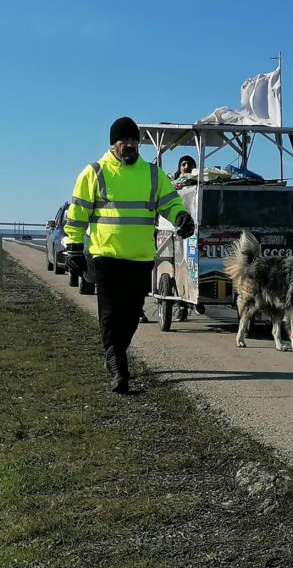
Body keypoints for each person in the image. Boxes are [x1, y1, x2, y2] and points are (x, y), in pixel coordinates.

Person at [64, 116, 196, 394]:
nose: (131, 145)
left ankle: (114, 354)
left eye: (135, 141)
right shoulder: (95, 173)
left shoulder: (151, 174)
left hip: (140, 257)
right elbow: (77, 214)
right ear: (114, 144)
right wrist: (73, 247)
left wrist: (181, 216)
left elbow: (170, 202)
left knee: (131, 314)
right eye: (125, 141)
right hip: (106, 256)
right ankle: (118, 368)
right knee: (111, 313)